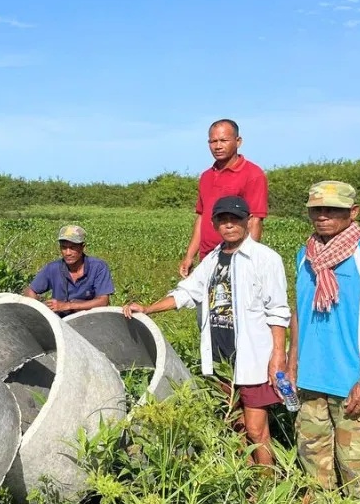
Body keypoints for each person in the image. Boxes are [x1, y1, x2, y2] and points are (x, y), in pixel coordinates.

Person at [124, 196, 290, 466]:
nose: (229, 225)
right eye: (222, 220)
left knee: (257, 429)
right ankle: (244, 481)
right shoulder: (213, 259)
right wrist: (148, 308)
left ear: (248, 221)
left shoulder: (265, 259)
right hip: (221, 357)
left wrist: (278, 356)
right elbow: (186, 292)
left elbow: (278, 311)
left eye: (235, 219)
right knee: (233, 422)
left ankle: (267, 484)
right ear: (213, 224)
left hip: (253, 358)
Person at [289, 181, 360, 497]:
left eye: (333, 210)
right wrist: (293, 359)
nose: (323, 216)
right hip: (311, 384)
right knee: (314, 478)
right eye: (317, 209)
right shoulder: (304, 256)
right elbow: (299, 312)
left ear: (353, 212)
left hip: (355, 384)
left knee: (357, 479)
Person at [180, 119, 268, 278]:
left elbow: (255, 220)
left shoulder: (253, 174)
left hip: (235, 255)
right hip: (208, 257)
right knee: (208, 301)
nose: (218, 146)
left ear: (238, 141)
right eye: (213, 141)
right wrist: (190, 255)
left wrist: (247, 261)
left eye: (224, 140)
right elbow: (202, 216)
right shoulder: (206, 176)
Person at [24, 225, 114, 317]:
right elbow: (30, 290)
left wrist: (67, 306)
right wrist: (41, 311)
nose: (68, 253)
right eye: (64, 247)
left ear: (83, 247)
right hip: (61, 321)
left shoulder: (98, 267)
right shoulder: (52, 268)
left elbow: (103, 301)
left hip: (90, 320)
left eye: (72, 248)